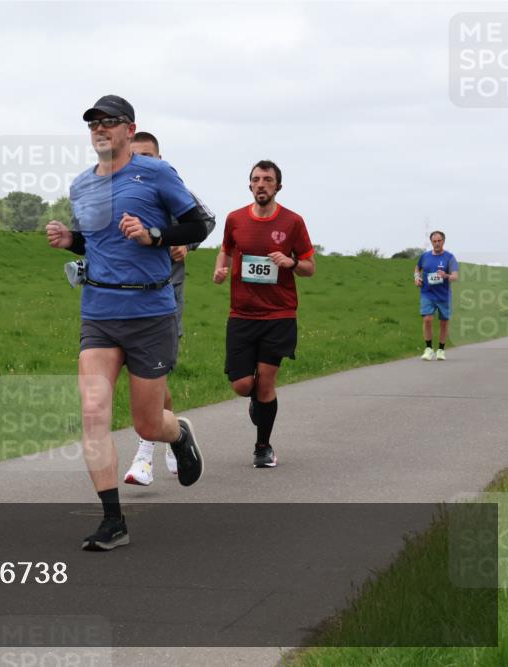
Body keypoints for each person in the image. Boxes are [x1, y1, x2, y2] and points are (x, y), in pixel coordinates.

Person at [46, 95, 212, 551]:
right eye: (93, 124)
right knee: (93, 413)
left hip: (150, 312)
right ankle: (113, 520)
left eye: (108, 122)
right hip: (99, 313)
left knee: (146, 424)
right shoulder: (81, 185)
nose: (99, 129)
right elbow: (97, 245)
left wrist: (154, 234)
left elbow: (200, 225)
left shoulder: (155, 172)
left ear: (128, 128)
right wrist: (71, 241)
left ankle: (178, 432)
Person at [121, 131, 215, 486]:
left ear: (160, 158)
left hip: (164, 295)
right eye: (136, 155)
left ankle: (145, 455)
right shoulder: (121, 189)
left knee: (152, 377)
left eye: (149, 155)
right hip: (122, 302)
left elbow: (205, 221)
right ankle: (174, 437)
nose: (142, 161)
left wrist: (185, 244)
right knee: (145, 378)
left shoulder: (171, 187)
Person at [212, 160, 315, 468]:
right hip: (242, 313)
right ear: (250, 185)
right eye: (256, 179)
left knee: (266, 382)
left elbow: (310, 267)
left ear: (277, 186)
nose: (261, 184)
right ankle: (257, 401)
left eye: (267, 180)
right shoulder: (235, 219)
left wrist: (291, 263)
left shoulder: (293, 222)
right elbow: (226, 250)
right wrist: (220, 267)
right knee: (243, 385)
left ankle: (263, 446)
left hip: (278, 315)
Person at [415, 231, 459, 361]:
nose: (437, 243)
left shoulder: (449, 258)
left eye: (439, 241)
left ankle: (440, 349)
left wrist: (446, 275)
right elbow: (417, 268)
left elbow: (455, 276)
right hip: (427, 293)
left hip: (443, 295)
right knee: (427, 319)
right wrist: (417, 278)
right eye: (434, 241)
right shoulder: (425, 256)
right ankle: (428, 349)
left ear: (443, 241)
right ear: (431, 242)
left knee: (443, 322)